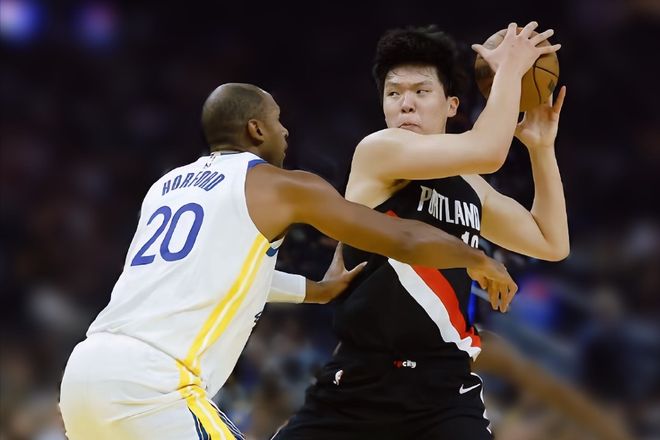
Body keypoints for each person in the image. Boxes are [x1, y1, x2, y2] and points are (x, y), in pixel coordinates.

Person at [58, 82, 516, 439]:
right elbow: (405, 239)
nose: (285, 131)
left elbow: (214, 269)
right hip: (154, 385)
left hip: (84, 372)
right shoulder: (279, 185)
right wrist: (475, 257)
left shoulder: (165, 186)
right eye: (278, 121)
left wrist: (314, 291)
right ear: (256, 129)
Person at [274, 21, 567, 440]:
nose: (405, 104)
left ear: (451, 106)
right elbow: (489, 150)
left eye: (421, 92)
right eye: (394, 94)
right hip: (360, 384)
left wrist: (541, 149)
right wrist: (509, 70)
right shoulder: (378, 151)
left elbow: (551, 242)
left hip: (444, 391)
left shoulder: (471, 185)